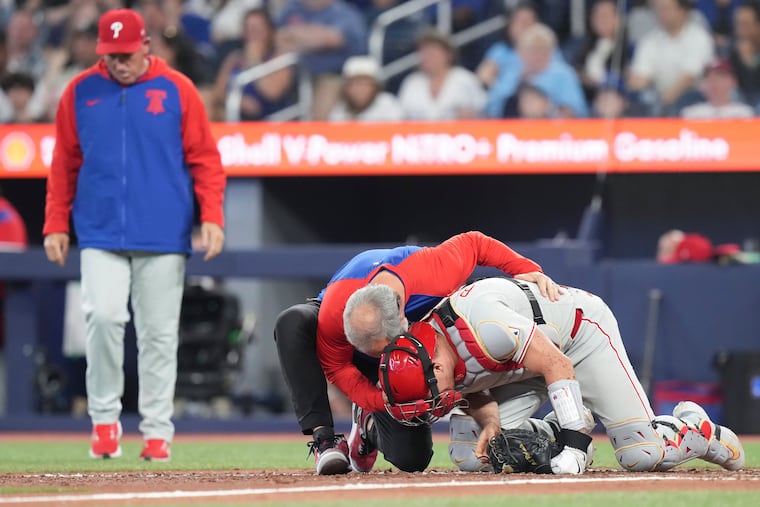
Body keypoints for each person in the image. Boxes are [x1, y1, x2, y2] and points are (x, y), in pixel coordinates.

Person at [42, 8, 226, 462]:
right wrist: (54, 222)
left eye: (125, 54)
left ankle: (157, 431)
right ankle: (105, 423)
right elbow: (64, 161)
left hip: (163, 230)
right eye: (110, 55)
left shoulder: (178, 89)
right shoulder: (80, 90)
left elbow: (205, 158)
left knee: (159, 334)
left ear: (145, 46)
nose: (118, 63)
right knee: (102, 319)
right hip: (100, 228)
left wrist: (213, 216)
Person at [371, 277, 746, 474]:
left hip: (576, 339)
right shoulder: (431, 351)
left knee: (641, 454)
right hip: (518, 363)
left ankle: (696, 429)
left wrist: (575, 444)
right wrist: (489, 422)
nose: (430, 408)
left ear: (437, 368)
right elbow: (473, 386)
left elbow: (556, 365)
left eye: (428, 396)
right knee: (473, 456)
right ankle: (557, 425)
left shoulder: (487, 326)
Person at [274, 231, 560, 475]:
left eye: (382, 351)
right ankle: (325, 440)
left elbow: (476, 243)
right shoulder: (333, 314)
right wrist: (377, 397)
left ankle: (368, 425)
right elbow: (337, 368)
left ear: (402, 319)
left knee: (412, 459)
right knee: (293, 322)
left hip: (410, 356)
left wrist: (524, 267)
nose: (378, 359)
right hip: (348, 346)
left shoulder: (434, 273)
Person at [275, 0, 368, 120]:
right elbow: (278, 37)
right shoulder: (293, 8)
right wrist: (315, 38)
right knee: (277, 68)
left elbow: (334, 39)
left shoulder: (342, 12)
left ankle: (317, 134)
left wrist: (296, 35)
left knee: (328, 86)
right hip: (294, 72)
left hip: (332, 74)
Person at [627, 0, 715, 116]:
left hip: (692, 96)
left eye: (666, 9)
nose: (661, 13)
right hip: (658, 95)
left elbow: (689, 78)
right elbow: (639, 79)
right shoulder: (650, 40)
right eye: (659, 9)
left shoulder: (699, 37)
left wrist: (663, 102)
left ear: (683, 12)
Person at [397, 30, 487, 120]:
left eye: (433, 52)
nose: (428, 56)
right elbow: (400, 119)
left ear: (448, 54)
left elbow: (486, 115)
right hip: (419, 133)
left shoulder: (465, 79)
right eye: (424, 52)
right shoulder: (411, 83)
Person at [328, 55, 404, 122]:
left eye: (364, 83)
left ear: (375, 86)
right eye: (354, 83)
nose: (359, 89)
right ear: (346, 88)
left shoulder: (388, 105)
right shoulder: (339, 111)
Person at [680, 58, 754, 118]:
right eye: (709, 78)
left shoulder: (744, 113)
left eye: (720, 77)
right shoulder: (692, 114)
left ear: (733, 82)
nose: (714, 83)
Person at [728, 1, 760, 106]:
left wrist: (748, 62)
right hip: (740, 100)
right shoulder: (734, 47)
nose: (739, 29)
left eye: (745, 24)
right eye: (737, 23)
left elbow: (753, 88)